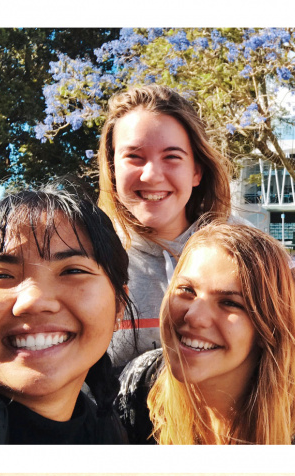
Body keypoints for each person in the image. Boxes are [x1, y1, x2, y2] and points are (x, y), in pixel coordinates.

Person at [116, 222, 295, 444]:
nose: (194, 316)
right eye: (186, 290)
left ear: (268, 328)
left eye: (230, 302)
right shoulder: (138, 383)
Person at [98, 84, 232, 368]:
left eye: (172, 157)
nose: (152, 175)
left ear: (196, 171)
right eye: (134, 157)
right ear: (112, 168)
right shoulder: (87, 258)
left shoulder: (244, 254)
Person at [0, 186, 135, 444]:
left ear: (119, 306)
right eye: (1, 275)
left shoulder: (110, 433)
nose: (33, 301)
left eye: (72, 271)